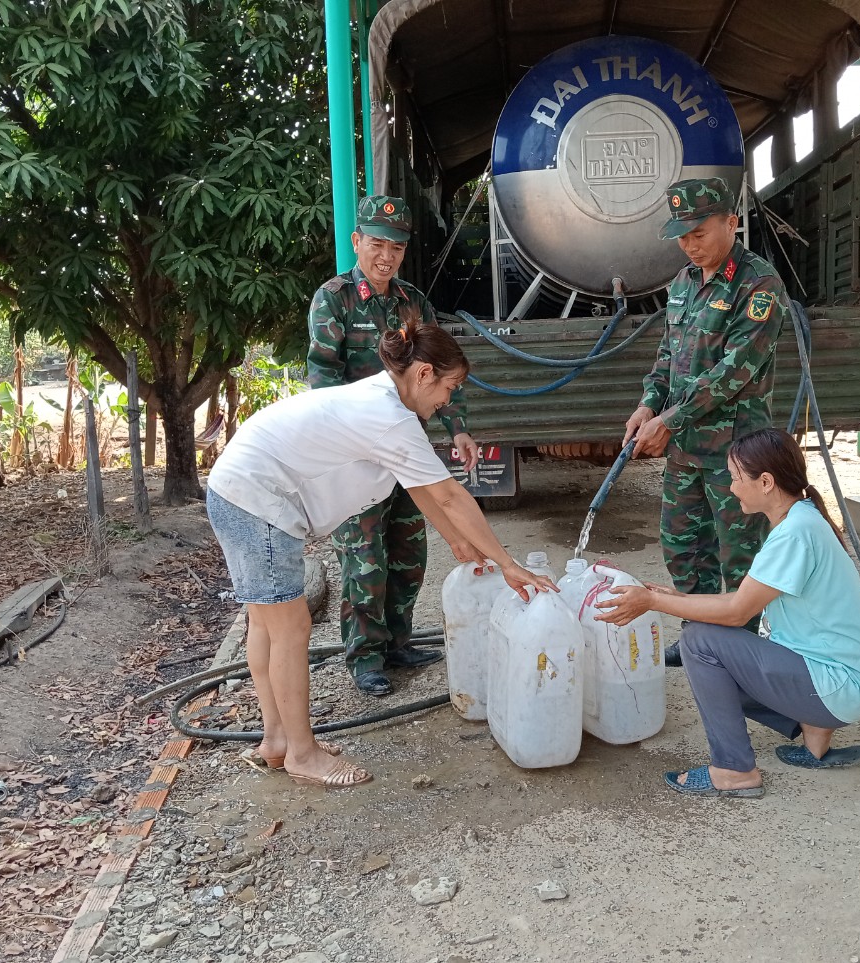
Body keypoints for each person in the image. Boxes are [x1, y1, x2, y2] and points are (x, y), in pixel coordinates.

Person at [207, 322, 555, 788]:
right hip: (256, 500)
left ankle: (277, 742)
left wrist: (456, 541)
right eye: (449, 389)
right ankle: (303, 754)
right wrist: (508, 565)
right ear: (425, 373)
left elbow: (422, 486)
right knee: (289, 628)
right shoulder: (389, 416)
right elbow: (450, 495)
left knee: (267, 624)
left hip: (238, 491)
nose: (446, 403)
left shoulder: (385, 402)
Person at [596, 428, 860, 799]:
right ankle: (815, 740)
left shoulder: (794, 534)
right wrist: (678, 597)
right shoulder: (803, 519)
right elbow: (745, 598)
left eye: (735, 478)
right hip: (843, 684)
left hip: (837, 688)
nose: (731, 488)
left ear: (765, 482)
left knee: (698, 642)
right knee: (709, 634)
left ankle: (733, 770)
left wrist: (652, 603)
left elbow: (735, 612)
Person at [307, 195, 479, 696]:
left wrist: (458, 427)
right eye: (378, 243)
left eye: (397, 247)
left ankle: (398, 640)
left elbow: (437, 371)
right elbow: (322, 378)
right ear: (357, 241)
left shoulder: (412, 302)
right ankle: (365, 657)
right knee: (364, 558)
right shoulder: (333, 299)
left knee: (408, 549)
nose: (387, 255)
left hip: (406, 449)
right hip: (356, 455)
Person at [621, 177, 790, 669]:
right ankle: (699, 639)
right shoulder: (682, 285)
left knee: (739, 557)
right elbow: (665, 359)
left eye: (699, 232)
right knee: (682, 548)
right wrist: (648, 405)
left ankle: (742, 651)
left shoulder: (759, 285)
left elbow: (733, 373)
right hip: (685, 451)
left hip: (737, 456)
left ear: (731, 223)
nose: (689, 245)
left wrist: (670, 419)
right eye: (682, 235)